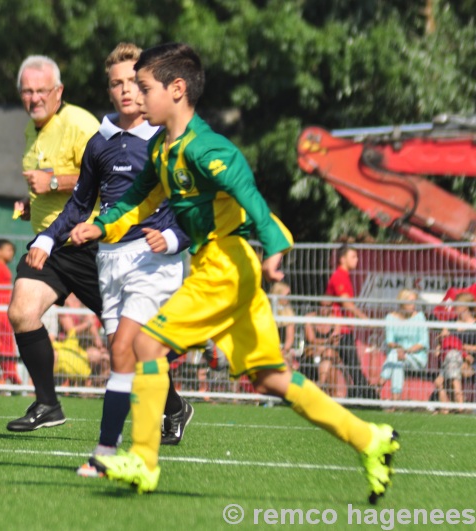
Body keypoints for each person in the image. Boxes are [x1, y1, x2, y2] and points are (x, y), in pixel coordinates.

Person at [70, 43, 399, 503]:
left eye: (145, 88)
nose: (137, 98)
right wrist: (101, 224)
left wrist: (275, 242)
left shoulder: (206, 148)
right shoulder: (165, 148)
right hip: (224, 266)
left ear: (177, 89)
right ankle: (370, 438)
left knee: (145, 343)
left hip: (224, 265)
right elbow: (138, 199)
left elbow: (245, 186)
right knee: (271, 378)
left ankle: (143, 462)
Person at [25, 43, 194, 471]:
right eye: (117, 83)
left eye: (136, 83)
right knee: (132, 356)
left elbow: (189, 205)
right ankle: (157, 426)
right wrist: (46, 239)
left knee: (124, 350)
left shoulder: (167, 140)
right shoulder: (100, 144)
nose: (127, 92)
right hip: (110, 260)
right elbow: (80, 203)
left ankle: (110, 455)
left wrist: (172, 238)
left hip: (152, 262)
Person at [5, 54, 102, 431]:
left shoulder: (80, 123)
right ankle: (48, 404)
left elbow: (106, 177)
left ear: (58, 91)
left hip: (86, 240)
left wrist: (55, 183)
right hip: (47, 244)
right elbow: (47, 186)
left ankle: (172, 405)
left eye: (41, 90)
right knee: (21, 312)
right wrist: (32, 206)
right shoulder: (33, 130)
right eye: (27, 91)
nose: (34, 98)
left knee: (124, 330)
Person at [325, 244, 378, 399]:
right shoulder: (339, 276)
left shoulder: (345, 276)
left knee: (351, 366)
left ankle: (364, 396)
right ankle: (369, 397)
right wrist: (365, 319)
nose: (357, 259)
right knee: (353, 367)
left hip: (344, 329)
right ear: (342, 259)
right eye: (353, 256)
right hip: (340, 331)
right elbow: (346, 303)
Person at [378, 289, 429, 405]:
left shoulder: (420, 317)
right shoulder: (390, 318)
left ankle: (380, 382)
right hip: (398, 355)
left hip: (416, 357)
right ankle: (396, 400)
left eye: (414, 302)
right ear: (402, 303)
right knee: (397, 361)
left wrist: (406, 351)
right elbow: (389, 341)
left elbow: (423, 342)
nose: (414, 305)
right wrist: (399, 349)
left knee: (395, 355)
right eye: (410, 302)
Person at [433, 291, 476, 411]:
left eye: (457, 305)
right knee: (452, 356)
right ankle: (460, 402)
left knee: (452, 359)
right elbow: (441, 343)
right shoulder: (451, 324)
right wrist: (440, 340)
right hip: (451, 360)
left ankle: (447, 408)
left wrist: (462, 348)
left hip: (470, 361)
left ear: (465, 307)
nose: (454, 307)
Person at [0, 239, 20, 384]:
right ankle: (11, 376)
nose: (11, 253)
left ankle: (4, 376)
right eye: (8, 250)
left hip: (0, 309)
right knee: (3, 344)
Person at [303, 299, 343, 394]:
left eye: (327, 305)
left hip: (328, 352)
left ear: (331, 306)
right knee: (330, 364)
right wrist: (326, 342)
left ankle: (320, 384)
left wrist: (322, 346)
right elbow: (311, 340)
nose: (324, 308)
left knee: (329, 354)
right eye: (321, 305)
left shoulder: (336, 320)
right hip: (311, 351)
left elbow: (335, 343)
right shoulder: (309, 318)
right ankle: (331, 394)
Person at [269, 281, 297, 369]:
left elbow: (289, 340)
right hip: (267, 349)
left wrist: (282, 352)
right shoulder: (265, 311)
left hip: (283, 351)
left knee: (284, 363)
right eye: (286, 295)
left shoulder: (289, 313)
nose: (288, 298)